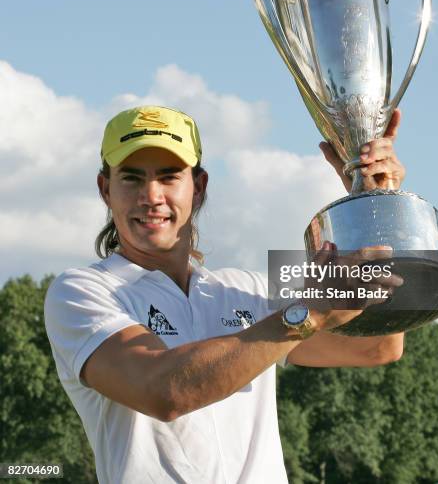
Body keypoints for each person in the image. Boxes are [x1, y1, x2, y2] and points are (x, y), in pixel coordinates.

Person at [44, 104, 406, 484]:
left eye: (169, 177)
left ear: (198, 187)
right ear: (106, 190)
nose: (151, 196)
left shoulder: (247, 289)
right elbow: (161, 390)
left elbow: (377, 347)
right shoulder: (81, 292)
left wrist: (375, 204)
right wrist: (310, 313)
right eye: (131, 179)